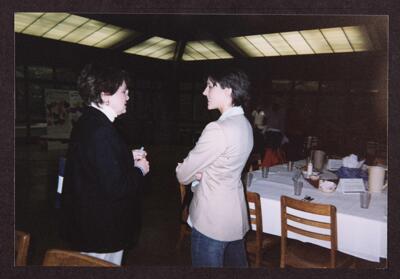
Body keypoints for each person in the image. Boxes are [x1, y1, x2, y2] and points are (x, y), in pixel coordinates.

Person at [60, 64, 150, 265]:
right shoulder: (101, 131)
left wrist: (127, 155)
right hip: (100, 228)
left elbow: (95, 164)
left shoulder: (90, 122)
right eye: (123, 92)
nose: (128, 97)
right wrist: (140, 170)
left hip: (89, 222)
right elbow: (117, 187)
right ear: (105, 95)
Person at [176, 69, 253, 267]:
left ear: (228, 90)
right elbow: (225, 166)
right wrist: (205, 173)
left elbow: (183, 174)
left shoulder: (218, 128)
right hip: (234, 218)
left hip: (211, 221)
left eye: (210, 86)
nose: (204, 92)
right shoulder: (245, 124)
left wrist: (196, 174)